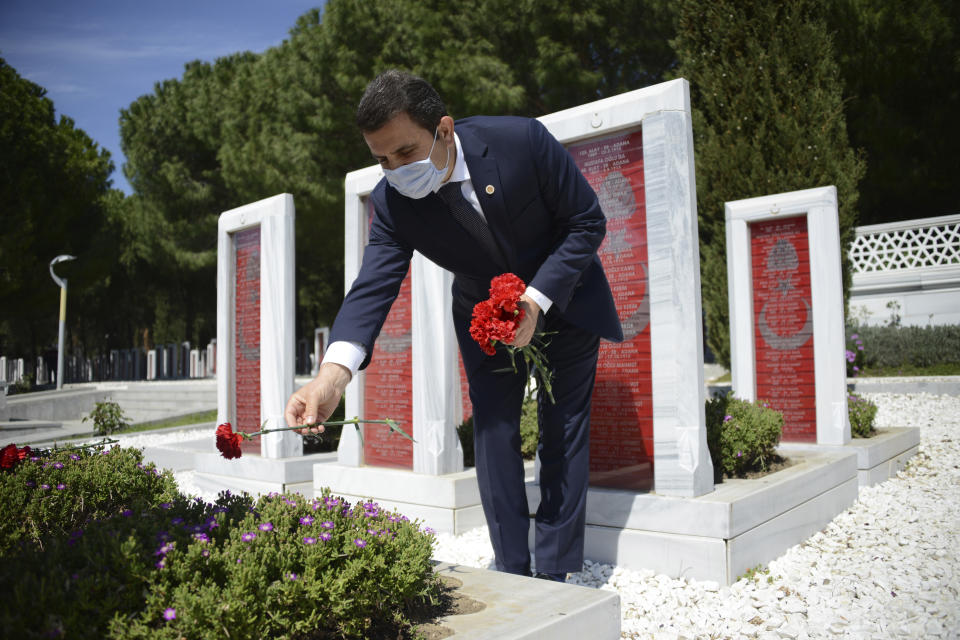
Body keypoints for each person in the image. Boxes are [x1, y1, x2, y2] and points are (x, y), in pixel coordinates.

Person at [284, 69, 622, 581]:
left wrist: (534, 303)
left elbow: (586, 221)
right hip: (480, 315)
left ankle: (555, 573)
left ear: (443, 130)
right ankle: (511, 567)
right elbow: (373, 286)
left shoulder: (521, 141)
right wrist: (333, 378)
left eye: (403, 153)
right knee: (494, 429)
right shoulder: (392, 203)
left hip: (564, 300)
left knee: (564, 428)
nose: (394, 170)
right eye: (380, 159)